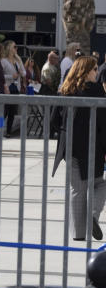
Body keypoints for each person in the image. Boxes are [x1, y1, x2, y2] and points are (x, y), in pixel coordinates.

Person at [54, 56, 106, 241]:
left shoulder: (66, 90)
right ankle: (92, 215)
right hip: (94, 146)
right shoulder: (97, 90)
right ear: (85, 71)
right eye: (94, 70)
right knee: (100, 184)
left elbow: (54, 119)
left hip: (71, 146)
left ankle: (78, 234)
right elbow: (103, 121)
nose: (96, 73)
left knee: (77, 188)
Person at [1, 40, 26, 137]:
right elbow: (1, 76)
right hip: (7, 87)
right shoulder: (3, 61)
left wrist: (20, 72)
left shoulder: (18, 59)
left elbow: (24, 73)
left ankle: (8, 131)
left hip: (16, 87)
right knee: (5, 110)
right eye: (14, 47)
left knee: (12, 110)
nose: (16, 49)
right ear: (9, 49)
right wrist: (12, 76)